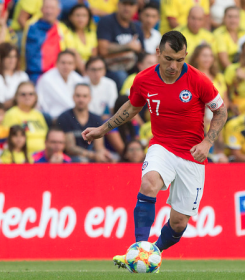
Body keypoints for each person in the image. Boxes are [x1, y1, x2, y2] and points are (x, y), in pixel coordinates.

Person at [81, 31, 227, 266]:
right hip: (162, 145)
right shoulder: (143, 79)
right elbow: (132, 107)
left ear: (186, 56)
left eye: (179, 60)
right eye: (168, 58)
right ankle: (138, 248)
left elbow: (221, 110)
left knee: (179, 223)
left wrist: (207, 142)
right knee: (149, 183)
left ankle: (152, 253)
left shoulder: (198, 80)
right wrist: (102, 129)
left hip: (192, 155)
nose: (173, 65)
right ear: (158, 52)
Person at [57, 83, 113, 162]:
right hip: (70, 159)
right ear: (73, 97)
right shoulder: (65, 117)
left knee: (112, 159)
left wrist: (103, 155)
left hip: (92, 157)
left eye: (84, 96)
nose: (81, 99)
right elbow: (70, 148)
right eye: (78, 96)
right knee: (82, 161)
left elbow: (99, 147)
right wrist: (93, 155)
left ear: (90, 98)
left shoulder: (96, 119)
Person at [97, 0, 145, 90]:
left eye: (131, 4)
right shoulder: (107, 21)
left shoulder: (137, 27)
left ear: (136, 8)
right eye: (124, 4)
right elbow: (103, 50)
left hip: (132, 67)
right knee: (121, 76)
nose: (127, 8)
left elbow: (142, 51)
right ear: (118, 5)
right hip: (112, 69)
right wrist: (127, 46)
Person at [23, 0, 67, 84]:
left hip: (57, 74)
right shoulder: (31, 27)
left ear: (58, 11)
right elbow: (30, 55)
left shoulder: (62, 29)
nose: (49, 11)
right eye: (47, 8)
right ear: (41, 9)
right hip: (37, 74)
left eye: (52, 8)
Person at [2, 82, 48, 155]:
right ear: (16, 97)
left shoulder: (38, 114)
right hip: (23, 157)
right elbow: (11, 141)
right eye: (23, 94)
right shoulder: (12, 114)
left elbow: (46, 136)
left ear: (35, 97)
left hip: (42, 156)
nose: (27, 97)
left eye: (31, 94)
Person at [36, 50, 83, 119]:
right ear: (57, 63)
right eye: (63, 63)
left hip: (75, 118)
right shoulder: (46, 79)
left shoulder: (78, 79)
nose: (66, 66)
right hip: (52, 118)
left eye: (70, 63)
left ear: (74, 66)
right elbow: (39, 102)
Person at [64, 4, 98, 74]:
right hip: (74, 70)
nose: (81, 19)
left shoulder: (91, 33)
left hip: (90, 68)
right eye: (77, 15)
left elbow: (94, 55)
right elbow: (73, 53)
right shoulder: (66, 32)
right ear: (70, 17)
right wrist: (86, 74)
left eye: (84, 16)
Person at [0, 42, 29, 109]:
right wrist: (17, 99)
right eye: (8, 57)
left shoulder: (23, 75)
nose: (12, 60)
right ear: (1, 58)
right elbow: (1, 105)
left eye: (14, 56)